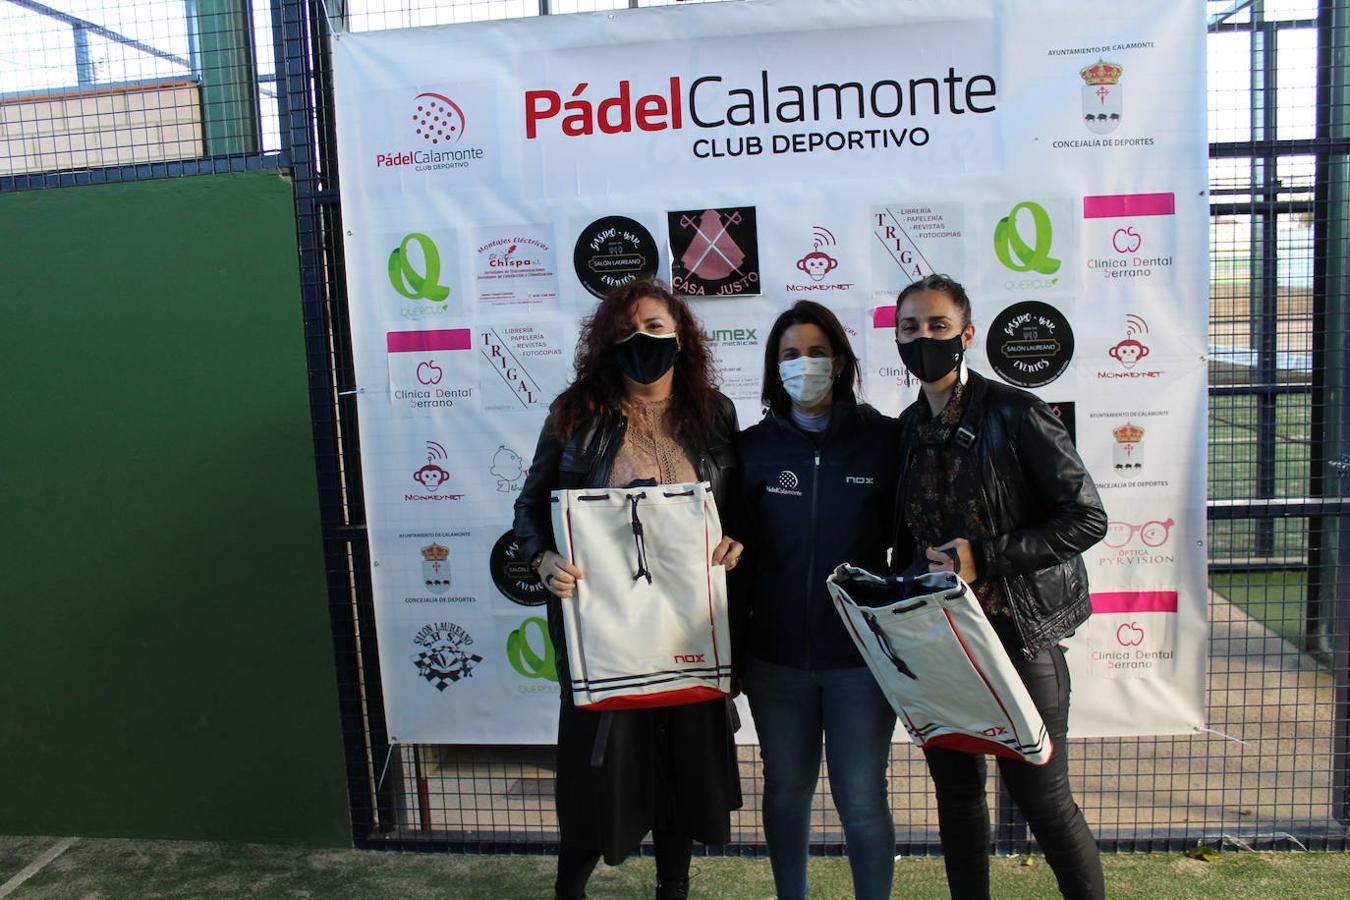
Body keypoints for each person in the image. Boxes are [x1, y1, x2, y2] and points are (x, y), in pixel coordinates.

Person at [512, 279, 744, 900]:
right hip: (604, 629)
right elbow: (529, 509)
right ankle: (570, 890)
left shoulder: (714, 412)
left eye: (655, 329)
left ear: (681, 337)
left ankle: (675, 888)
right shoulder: (575, 413)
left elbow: (738, 509)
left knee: (679, 767)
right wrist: (541, 561)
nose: (642, 341)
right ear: (608, 343)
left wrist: (736, 542)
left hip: (688, 625)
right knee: (599, 774)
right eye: (627, 332)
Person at [890, 273, 1107, 900]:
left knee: (1045, 803)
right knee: (957, 801)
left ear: (966, 334)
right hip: (941, 645)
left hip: (1019, 637)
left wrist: (985, 558)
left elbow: (1087, 516)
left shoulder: (1015, 412)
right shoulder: (905, 428)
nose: (922, 338)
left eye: (936, 325)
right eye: (910, 327)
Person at [731, 300, 900, 900]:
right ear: (774, 369)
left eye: (817, 352)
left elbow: (904, 547)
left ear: (842, 361)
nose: (805, 364)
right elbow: (732, 557)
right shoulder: (751, 450)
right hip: (775, 657)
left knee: (861, 796)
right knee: (786, 789)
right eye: (790, 354)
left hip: (860, 658)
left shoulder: (884, 441)